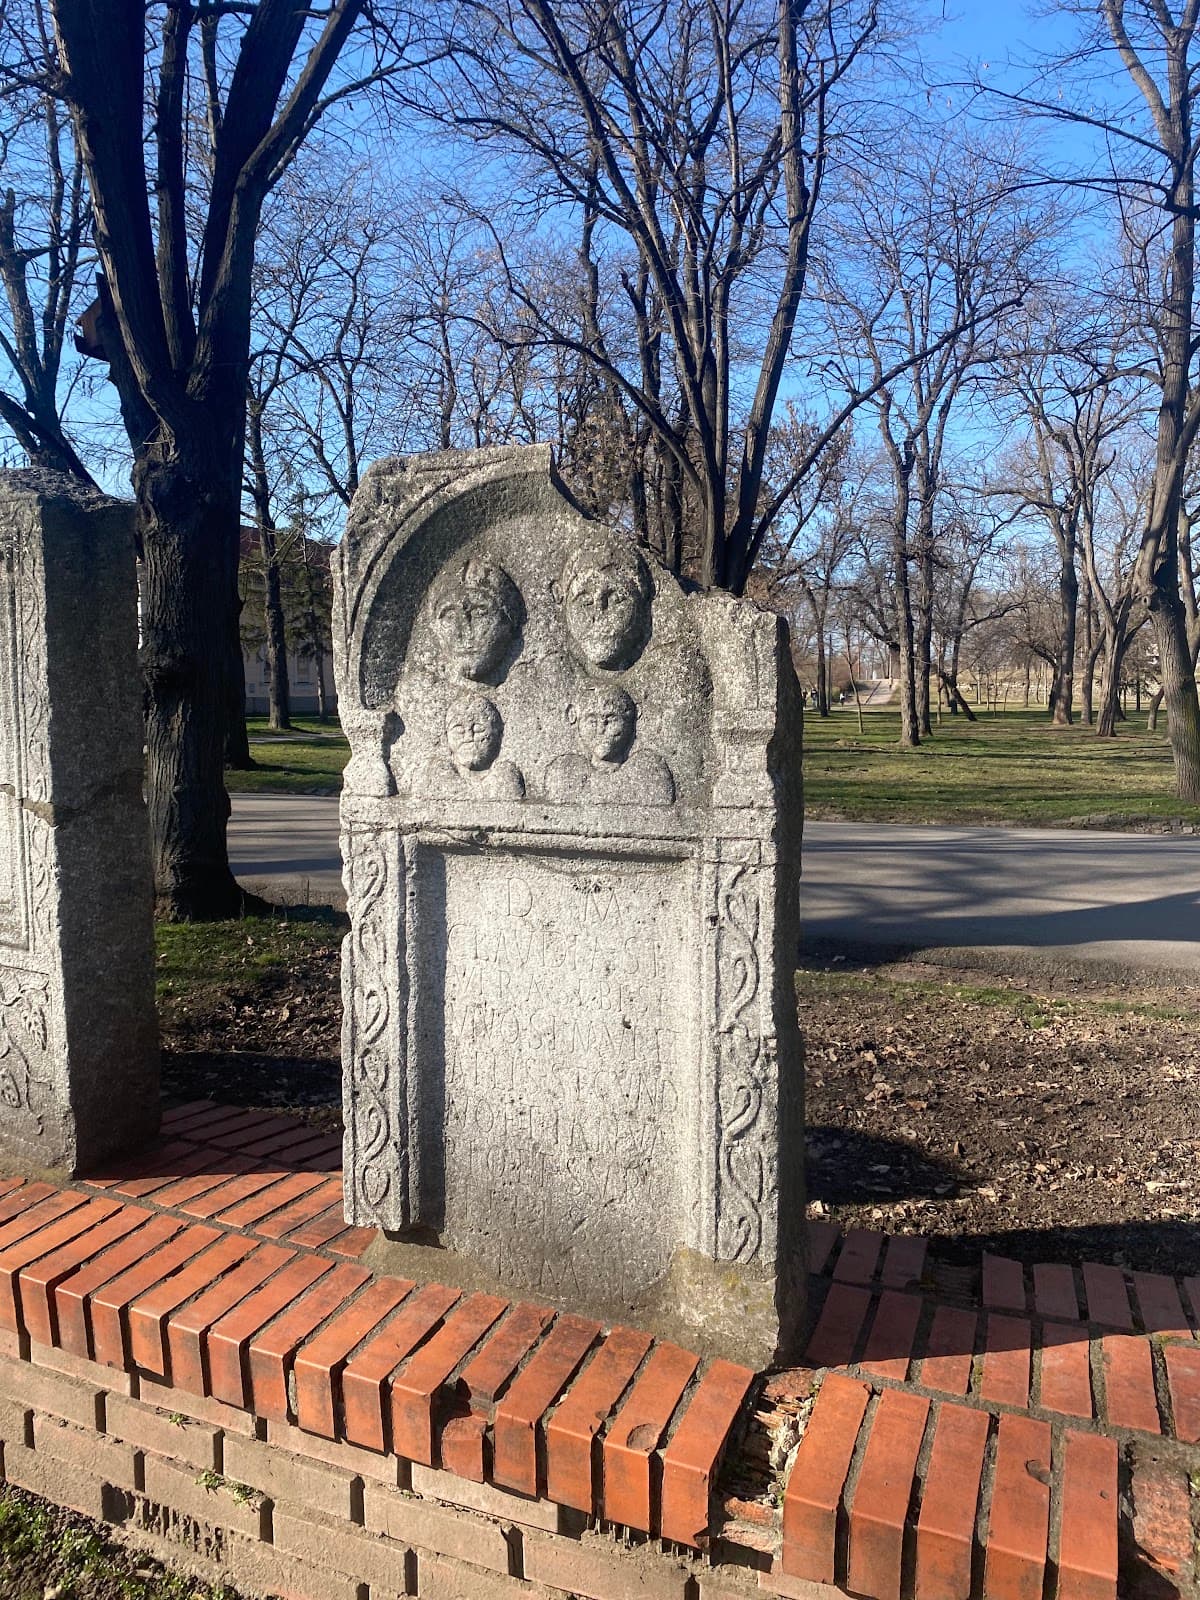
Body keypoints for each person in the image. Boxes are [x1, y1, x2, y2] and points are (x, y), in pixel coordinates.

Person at [545, 684, 673, 805]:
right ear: (575, 719)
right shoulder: (564, 775)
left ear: (631, 719)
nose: (601, 730)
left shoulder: (649, 774)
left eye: (611, 719)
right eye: (592, 721)